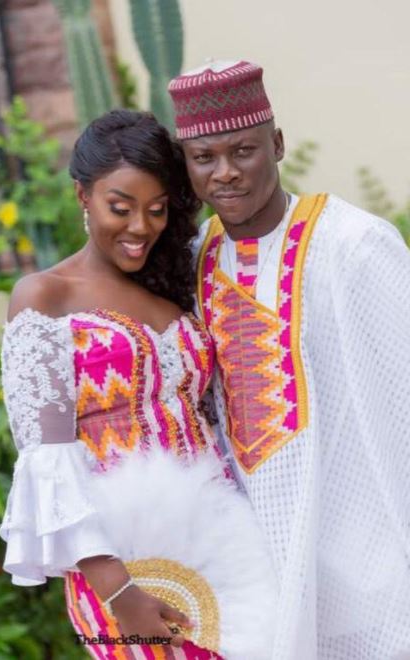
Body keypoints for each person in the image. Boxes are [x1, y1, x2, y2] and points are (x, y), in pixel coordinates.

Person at [0, 109, 277, 659]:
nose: (140, 228)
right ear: (83, 195)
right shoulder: (44, 297)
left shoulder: (172, 289)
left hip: (223, 543)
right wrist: (120, 593)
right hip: (125, 568)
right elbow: (47, 459)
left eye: (156, 209)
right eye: (120, 208)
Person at [168, 60, 410, 659]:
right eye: (204, 157)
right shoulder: (190, 262)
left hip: (369, 564)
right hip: (262, 569)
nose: (226, 172)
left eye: (243, 150)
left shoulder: (353, 244)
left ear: (276, 144)